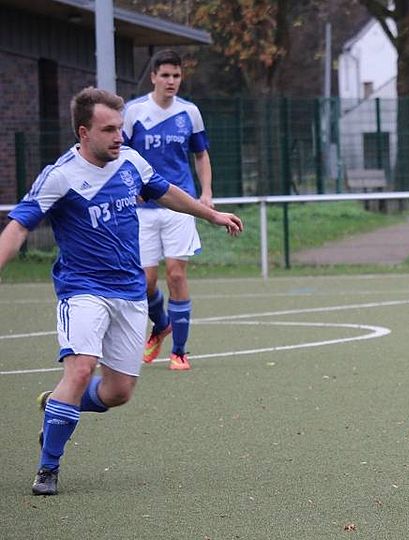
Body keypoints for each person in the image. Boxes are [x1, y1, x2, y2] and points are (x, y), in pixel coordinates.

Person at [0, 87, 243, 496]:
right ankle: (48, 467)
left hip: (129, 293)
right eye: (109, 130)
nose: (119, 136)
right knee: (81, 369)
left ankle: (60, 405)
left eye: (120, 128)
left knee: (118, 392)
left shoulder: (130, 161)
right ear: (84, 132)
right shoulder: (61, 175)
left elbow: (167, 192)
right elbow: (18, 227)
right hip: (83, 289)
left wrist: (211, 214)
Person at [123, 49, 213, 370]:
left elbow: (201, 155)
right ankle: (161, 325)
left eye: (176, 75)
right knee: (146, 283)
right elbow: (121, 155)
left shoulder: (190, 112)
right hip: (144, 209)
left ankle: (179, 351)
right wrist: (131, 189)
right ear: (153, 77)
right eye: (165, 75)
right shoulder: (134, 112)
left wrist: (206, 193)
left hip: (180, 204)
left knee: (176, 273)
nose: (171, 81)